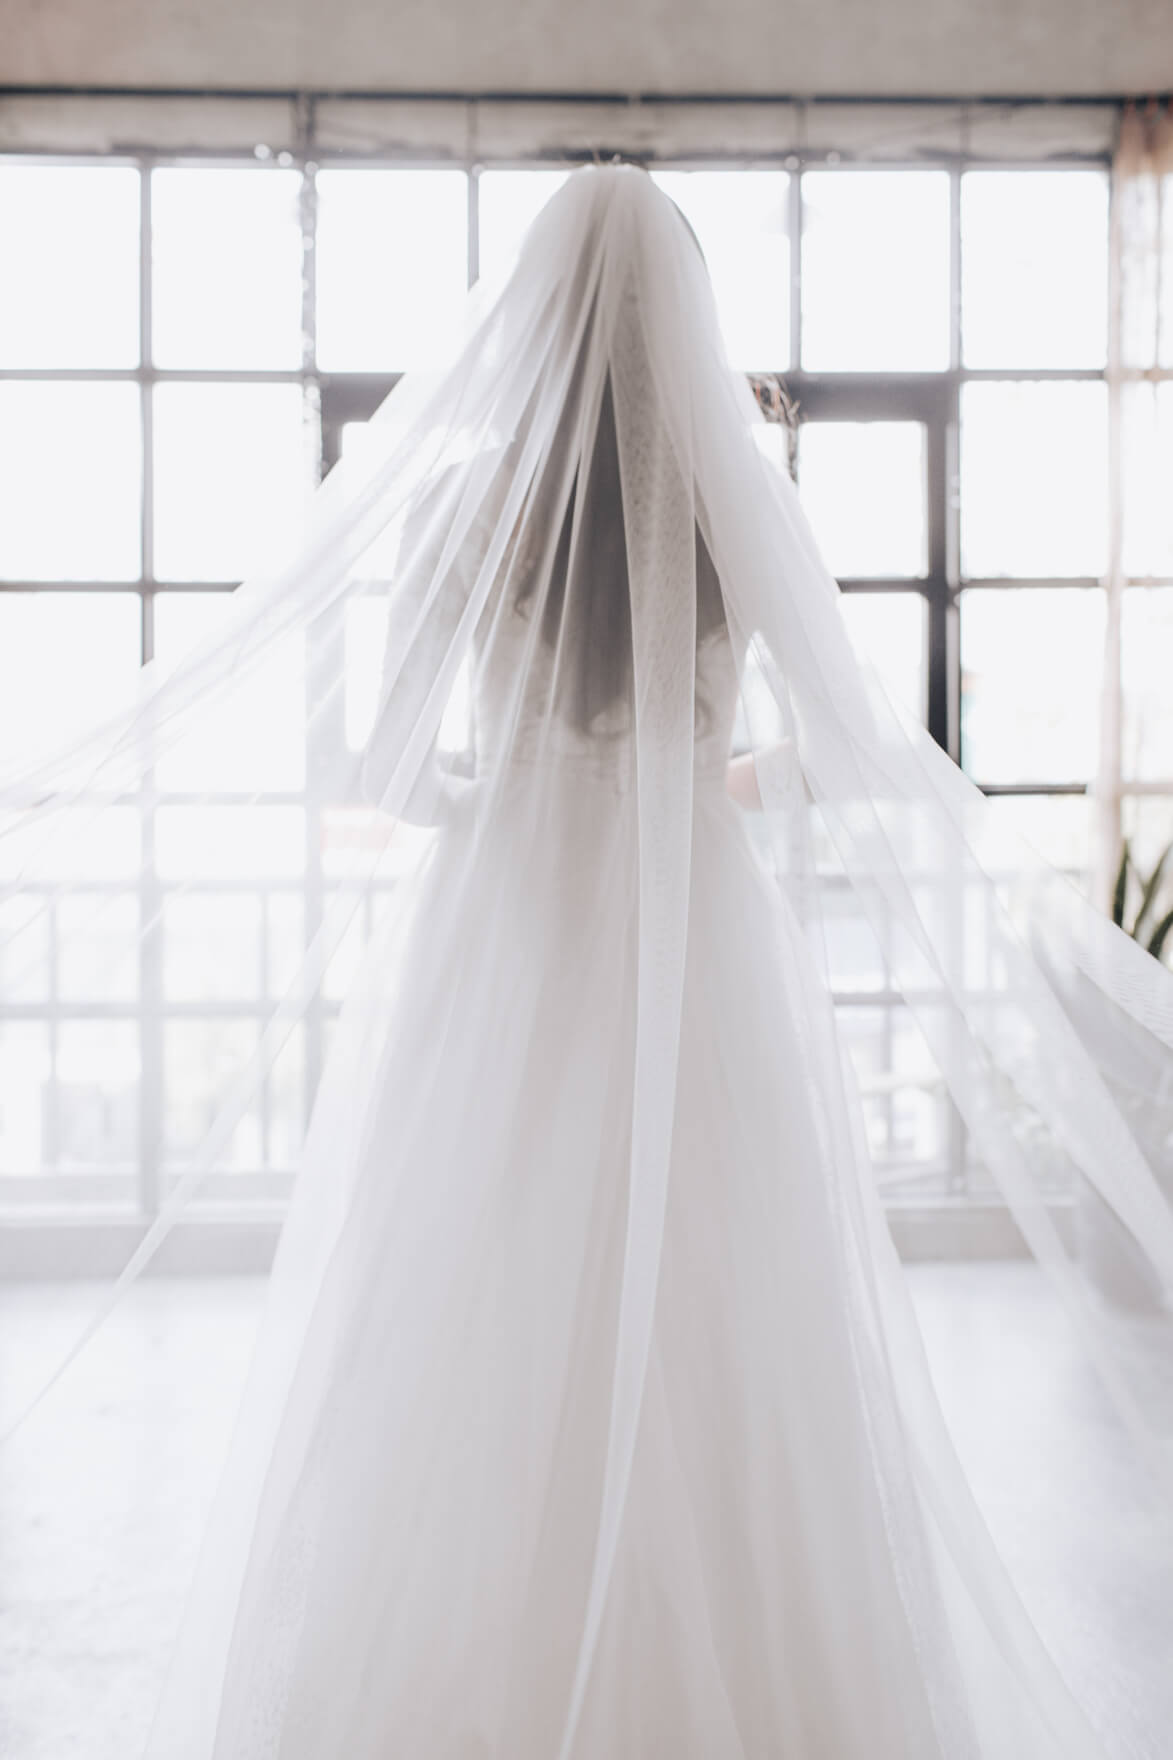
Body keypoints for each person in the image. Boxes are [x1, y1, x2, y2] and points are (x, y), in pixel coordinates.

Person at [3, 163, 1172, 1758]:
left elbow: (379, 776)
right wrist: (692, 784)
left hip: (506, 925)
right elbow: (838, 746)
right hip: (698, 941)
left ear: (531, 312)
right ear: (681, 315)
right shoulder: (731, 492)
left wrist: (517, 793)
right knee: (731, 1308)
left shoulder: (465, 503)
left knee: (463, 1296)